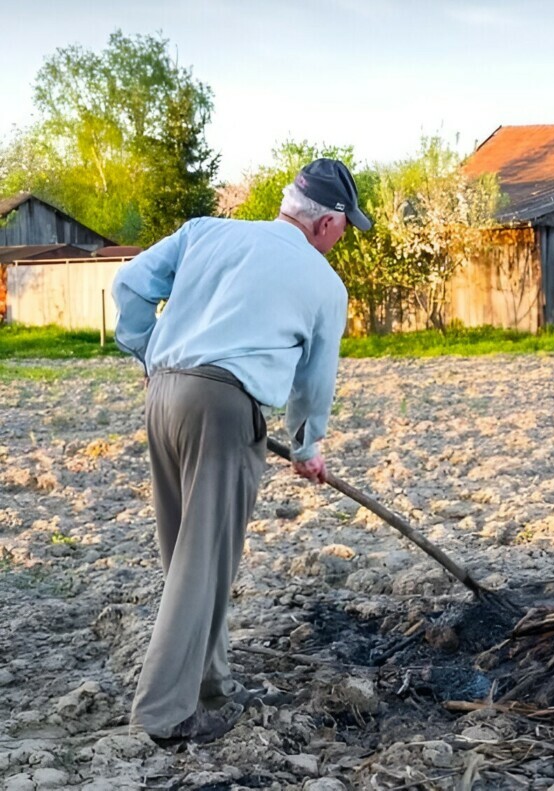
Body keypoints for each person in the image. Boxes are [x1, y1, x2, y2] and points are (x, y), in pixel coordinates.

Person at [111, 158, 371, 744]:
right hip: (225, 410)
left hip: (165, 395)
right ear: (328, 223)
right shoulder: (325, 284)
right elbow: (313, 382)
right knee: (203, 560)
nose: (343, 237)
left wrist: (147, 354)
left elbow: (126, 284)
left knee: (185, 553)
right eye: (345, 226)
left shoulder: (207, 230)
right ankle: (165, 712)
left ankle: (212, 682)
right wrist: (308, 446)